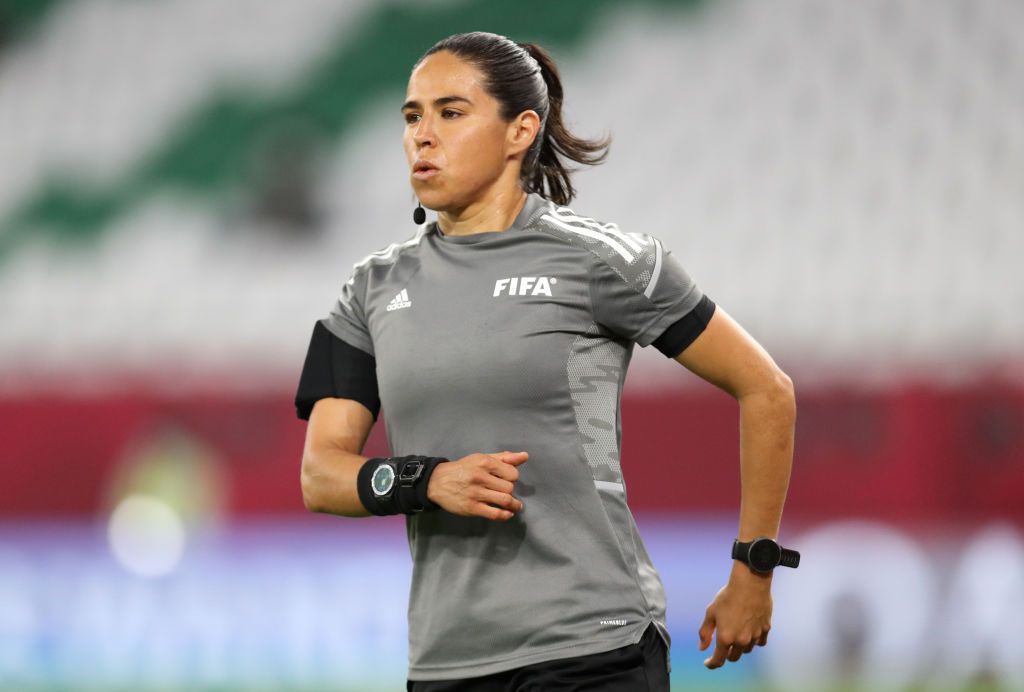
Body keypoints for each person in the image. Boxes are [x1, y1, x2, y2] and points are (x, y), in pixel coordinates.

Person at [294, 31, 797, 692]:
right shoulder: (368, 290)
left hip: (594, 647)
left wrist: (752, 568)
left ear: (519, 131)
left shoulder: (602, 259)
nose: (422, 134)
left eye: (451, 112)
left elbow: (767, 389)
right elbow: (320, 475)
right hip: (448, 663)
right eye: (413, 116)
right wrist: (425, 481)